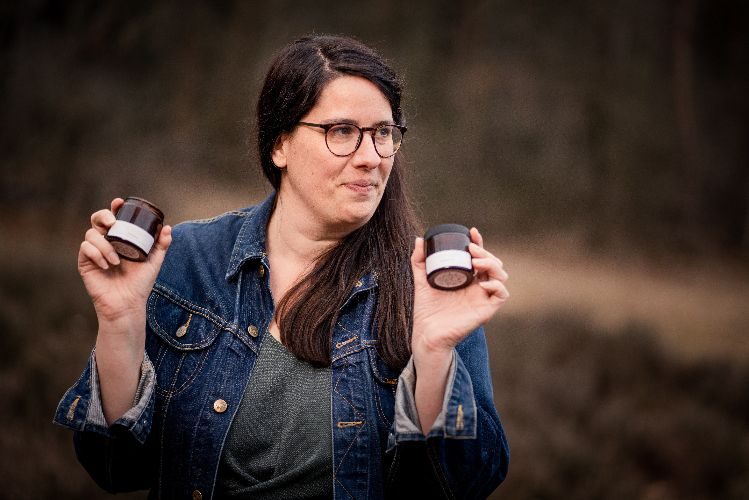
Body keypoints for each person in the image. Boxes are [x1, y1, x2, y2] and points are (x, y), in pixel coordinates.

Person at [54, 34, 510, 499]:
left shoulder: (429, 284)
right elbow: (114, 468)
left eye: (382, 133)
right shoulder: (187, 260)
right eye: (342, 132)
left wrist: (433, 354)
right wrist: (119, 321)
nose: (371, 157)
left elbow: (466, 486)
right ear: (280, 145)